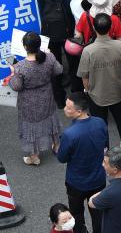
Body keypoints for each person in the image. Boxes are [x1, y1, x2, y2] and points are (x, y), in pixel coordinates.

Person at [9, 31, 63, 166]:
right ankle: (57, 146)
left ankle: (34, 156)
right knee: (51, 119)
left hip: (29, 102)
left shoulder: (20, 67)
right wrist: (50, 54)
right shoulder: (49, 57)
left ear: (25, 47)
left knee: (31, 127)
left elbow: (16, 86)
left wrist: (13, 72)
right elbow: (59, 70)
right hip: (47, 96)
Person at [78, 13, 121, 144]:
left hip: (96, 95)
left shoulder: (88, 51)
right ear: (111, 27)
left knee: (100, 128)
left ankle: (105, 155)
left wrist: (88, 90)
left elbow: (84, 76)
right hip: (118, 92)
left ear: (95, 28)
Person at [57, 92, 108, 233]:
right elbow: (105, 145)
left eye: (68, 108)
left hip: (76, 183)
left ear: (78, 112)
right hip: (98, 178)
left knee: (77, 215)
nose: (65, 109)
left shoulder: (70, 134)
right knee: (98, 214)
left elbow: (62, 158)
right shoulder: (100, 122)